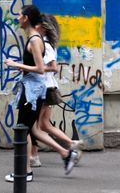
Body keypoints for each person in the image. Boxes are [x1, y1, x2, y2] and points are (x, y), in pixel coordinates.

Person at [4, 5, 79, 183]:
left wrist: (16, 65)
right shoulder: (33, 38)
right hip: (32, 89)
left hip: (33, 91)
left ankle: (26, 172)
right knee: (31, 129)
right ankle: (65, 153)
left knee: (24, 129)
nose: (17, 18)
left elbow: (39, 69)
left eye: (20, 15)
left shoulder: (35, 40)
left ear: (27, 18)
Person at [30, 14, 84, 168]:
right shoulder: (45, 43)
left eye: (36, 24)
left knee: (32, 127)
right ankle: (71, 143)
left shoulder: (44, 45)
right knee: (44, 124)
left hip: (43, 88)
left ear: (43, 27)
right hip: (48, 87)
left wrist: (34, 69)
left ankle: (35, 156)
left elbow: (53, 67)